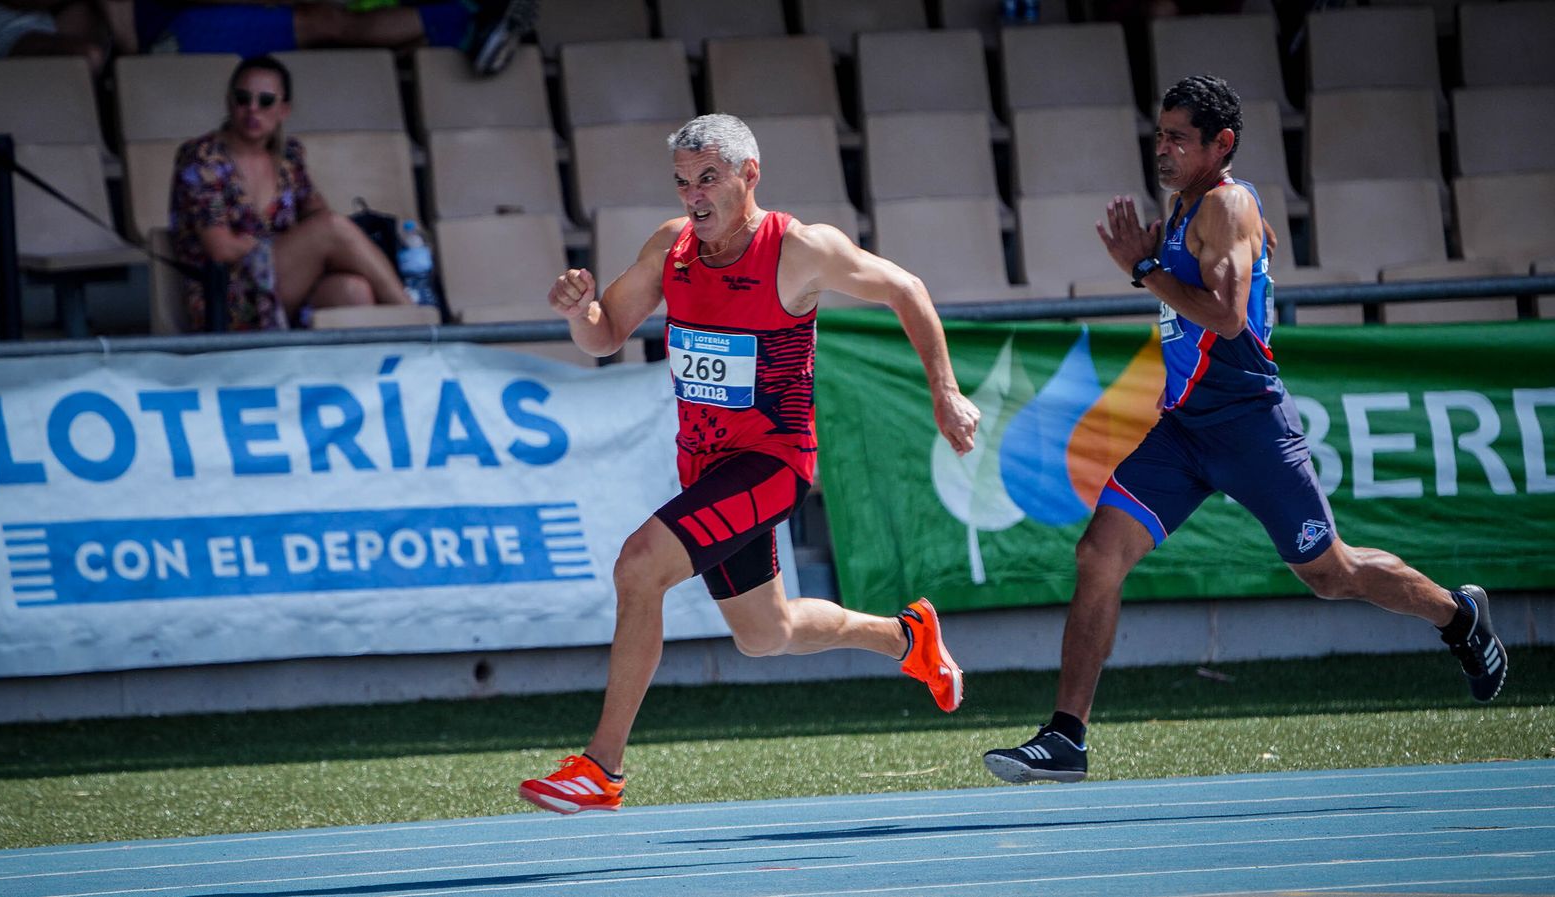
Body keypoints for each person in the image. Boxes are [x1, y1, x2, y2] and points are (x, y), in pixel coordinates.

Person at [981, 74, 1509, 786]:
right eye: (1159, 133)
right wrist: (1149, 263)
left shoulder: (1228, 206)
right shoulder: (1181, 206)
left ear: (1220, 144)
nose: (1162, 149)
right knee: (1097, 553)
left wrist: (1142, 269)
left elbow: (1226, 316)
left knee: (1331, 574)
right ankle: (1067, 735)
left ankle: (1458, 617)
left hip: (1252, 426)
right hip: (1185, 431)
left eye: (1178, 138)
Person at [518, 113, 983, 814]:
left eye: (709, 179)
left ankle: (601, 768)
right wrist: (580, 310)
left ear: (749, 174)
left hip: (772, 463)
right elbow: (606, 334)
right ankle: (906, 636)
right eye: (683, 183)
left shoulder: (798, 249)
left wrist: (945, 393)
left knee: (639, 564)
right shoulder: (671, 248)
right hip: (704, 470)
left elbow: (906, 289)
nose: (694, 197)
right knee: (766, 635)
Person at [169, 54, 411, 331]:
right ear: (229, 101)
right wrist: (292, 245)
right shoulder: (203, 158)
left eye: (266, 101)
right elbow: (221, 249)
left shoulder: (288, 157)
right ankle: (416, 320)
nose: (252, 109)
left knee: (353, 290)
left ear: (284, 110)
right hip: (227, 300)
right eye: (242, 98)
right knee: (331, 227)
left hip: (282, 290)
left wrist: (303, 245)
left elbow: (317, 212)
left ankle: (369, 369)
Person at [111, 0, 535, 75]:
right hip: (174, 35)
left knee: (333, 33)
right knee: (322, 23)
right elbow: (126, 47)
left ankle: (465, 28)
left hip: (186, 25)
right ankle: (468, 19)